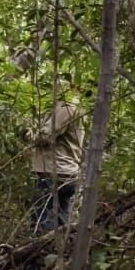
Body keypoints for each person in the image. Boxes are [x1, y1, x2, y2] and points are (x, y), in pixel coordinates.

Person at [29, 89, 84, 238]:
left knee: (42, 220)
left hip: (55, 171)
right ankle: (61, 254)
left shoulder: (65, 107)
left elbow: (45, 135)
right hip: (65, 171)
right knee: (62, 221)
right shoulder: (73, 107)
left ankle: (42, 254)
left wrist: (27, 132)